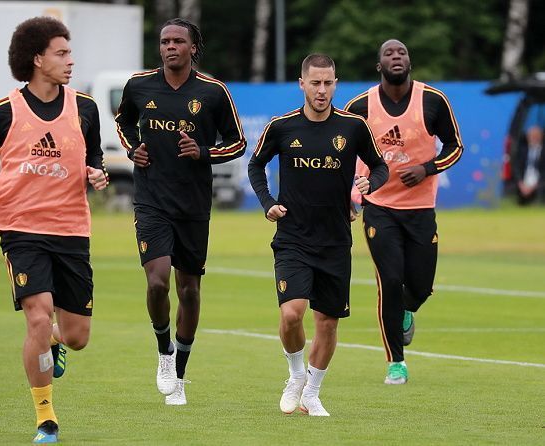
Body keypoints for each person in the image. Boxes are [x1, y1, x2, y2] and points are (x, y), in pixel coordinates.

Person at [0, 17, 107, 443]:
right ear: (37, 58)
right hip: (20, 228)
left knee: (77, 337)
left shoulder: (85, 107)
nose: (70, 60)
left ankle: (56, 341)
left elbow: (93, 157)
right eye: (62, 53)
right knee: (38, 316)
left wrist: (96, 173)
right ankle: (46, 419)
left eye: (69, 52)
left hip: (71, 229)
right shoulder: (2, 111)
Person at [115, 18, 246, 406]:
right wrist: (132, 148)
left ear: (193, 47)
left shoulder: (213, 91)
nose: (170, 47)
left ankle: (182, 377)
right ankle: (163, 352)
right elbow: (123, 123)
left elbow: (237, 142)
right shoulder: (139, 86)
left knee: (188, 290)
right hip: (151, 200)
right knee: (157, 282)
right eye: (164, 41)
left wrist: (203, 152)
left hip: (192, 205)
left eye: (178, 41)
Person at [248, 54, 388, 416]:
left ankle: (312, 392)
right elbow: (256, 164)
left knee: (327, 322)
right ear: (302, 84)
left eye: (328, 83)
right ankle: (296, 375)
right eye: (315, 83)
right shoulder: (282, 127)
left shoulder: (353, 127)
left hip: (336, 241)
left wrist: (368, 183)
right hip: (293, 238)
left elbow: (380, 166)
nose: (322, 90)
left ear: (335, 84)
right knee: (292, 314)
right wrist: (268, 202)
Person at [345, 39, 463, 385]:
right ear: (379, 66)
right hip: (380, 208)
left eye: (402, 53)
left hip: (421, 209)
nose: (396, 57)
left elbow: (455, 147)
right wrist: (346, 196)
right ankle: (396, 362)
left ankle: (409, 309)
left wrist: (427, 169)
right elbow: (339, 150)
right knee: (390, 281)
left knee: (421, 287)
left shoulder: (433, 101)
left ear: (409, 62)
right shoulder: (361, 106)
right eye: (388, 54)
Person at [514, 125, 545, 205]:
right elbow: (517, 168)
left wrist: (535, 185)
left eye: (536, 136)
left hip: (539, 181)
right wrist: (521, 183)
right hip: (524, 180)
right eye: (532, 136)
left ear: (541, 137)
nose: (534, 138)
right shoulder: (522, 151)